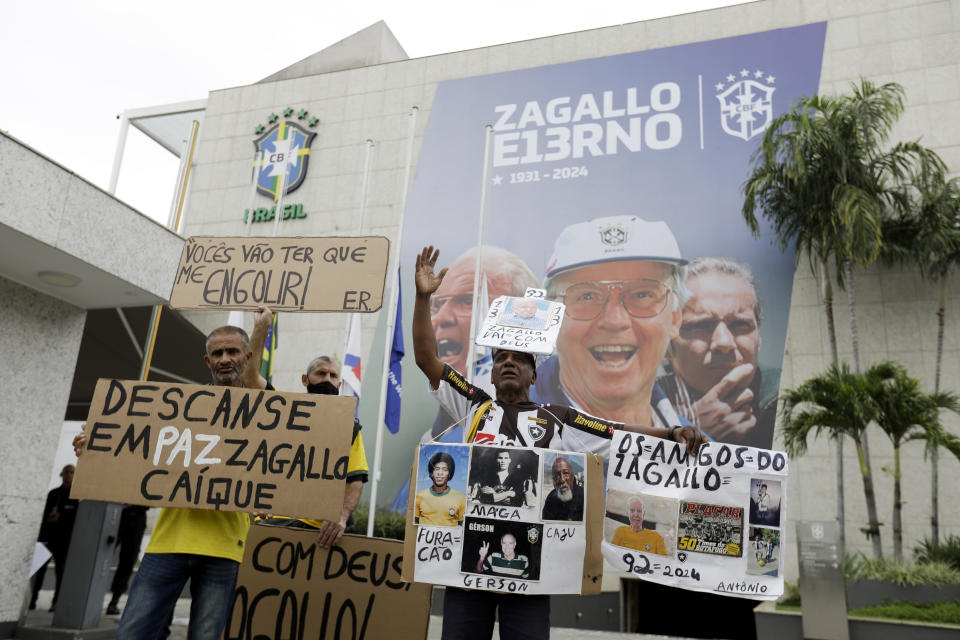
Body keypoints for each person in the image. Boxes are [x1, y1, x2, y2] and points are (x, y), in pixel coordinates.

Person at [413, 245, 704, 640]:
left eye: (520, 359)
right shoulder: (472, 403)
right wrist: (423, 298)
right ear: (492, 373)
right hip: (470, 565)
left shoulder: (559, 418)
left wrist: (670, 433)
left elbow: (616, 432)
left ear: (534, 375)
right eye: (501, 359)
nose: (509, 363)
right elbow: (427, 360)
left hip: (532, 569)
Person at [73, 325, 255, 640]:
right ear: (207, 361)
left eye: (233, 351)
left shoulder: (265, 410)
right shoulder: (176, 407)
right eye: (217, 353)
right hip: (169, 541)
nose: (225, 359)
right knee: (132, 633)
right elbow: (135, 445)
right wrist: (97, 446)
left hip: (226, 546)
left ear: (248, 357)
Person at [532, 216, 690, 429]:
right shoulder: (496, 432)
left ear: (674, 318)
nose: (615, 321)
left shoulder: (706, 457)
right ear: (552, 318)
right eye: (587, 296)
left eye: (642, 294)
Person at [243, 306, 368, 546]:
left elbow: (355, 478)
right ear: (305, 379)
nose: (327, 380)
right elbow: (250, 378)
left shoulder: (349, 427)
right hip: (276, 521)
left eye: (333, 376)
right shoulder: (285, 409)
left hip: (321, 532)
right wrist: (261, 328)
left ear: (340, 383)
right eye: (321, 374)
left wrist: (341, 517)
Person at [657, 257, 780, 447]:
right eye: (702, 325)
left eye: (740, 324)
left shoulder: (786, 400)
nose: (724, 342)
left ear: (759, 337)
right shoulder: (635, 407)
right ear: (666, 344)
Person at [30, 464, 78, 611]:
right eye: (66, 472)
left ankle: (56, 602)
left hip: (63, 539)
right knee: (40, 569)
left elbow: (75, 519)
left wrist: (60, 517)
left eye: (72, 472)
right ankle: (32, 599)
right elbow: (42, 513)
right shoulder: (53, 494)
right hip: (47, 536)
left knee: (61, 571)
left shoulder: (75, 497)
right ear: (62, 474)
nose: (69, 475)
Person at [106, 505, 148, 615]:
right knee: (103, 554)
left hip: (135, 514)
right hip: (117, 511)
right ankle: (111, 602)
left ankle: (114, 601)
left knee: (127, 562)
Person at [415, 451, 465, 526]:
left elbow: (462, 527)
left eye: (445, 469)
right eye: (437, 469)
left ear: (449, 473)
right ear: (431, 472)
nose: (440, 473)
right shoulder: (419, 497)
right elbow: (414, 525)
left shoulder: (461, 498)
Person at [469, 449, 535, 507]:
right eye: (500, 458)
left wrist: (494, 494)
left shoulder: (516, 480)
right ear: (496, 460)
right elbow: (487, 499)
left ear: (509, 460)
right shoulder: (488, 478)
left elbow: (517, 502)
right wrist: (509, 493)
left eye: (506, 458)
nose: (503, 461)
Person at [541, 456, 583, 521]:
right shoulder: (551, 497)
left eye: (566, 473)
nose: (562, 480)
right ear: (553, 480)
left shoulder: (583, 495)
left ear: (572, 475)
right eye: (557, 475)